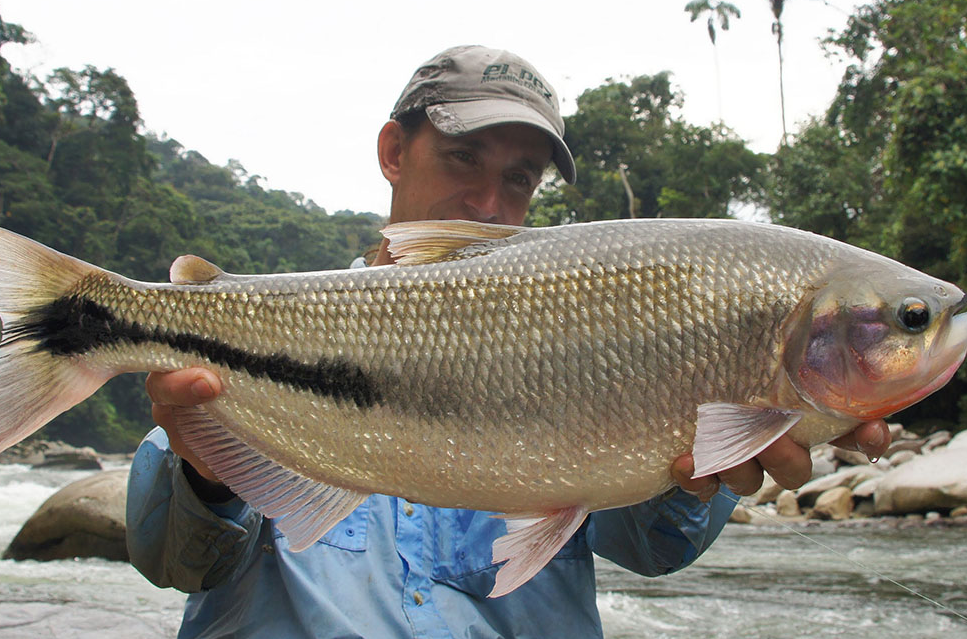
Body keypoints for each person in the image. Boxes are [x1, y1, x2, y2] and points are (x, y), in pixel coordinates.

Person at [126, 45, 891, 638]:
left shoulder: (587, 340)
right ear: (394, 151)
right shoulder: (258, 339)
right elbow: (172, 560)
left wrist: (723, 457)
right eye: (463, 159)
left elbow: (656, 547)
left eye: (519, 180)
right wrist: (215, 470)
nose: (489, 202)